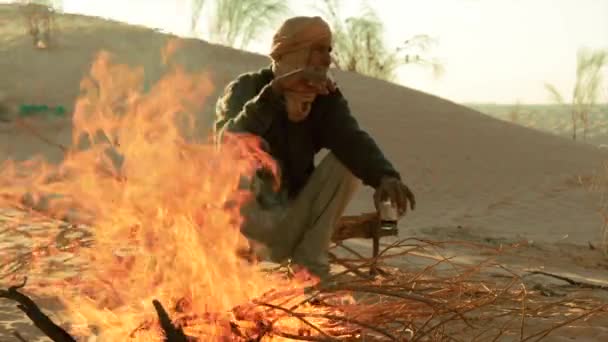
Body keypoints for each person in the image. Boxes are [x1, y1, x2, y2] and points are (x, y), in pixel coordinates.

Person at [214, 16, 415, 280]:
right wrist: (274, 95)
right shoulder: (247, 88)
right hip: (244, 229)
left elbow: (351, 139)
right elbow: (226, 144)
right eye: (318, 49)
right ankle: (229, 272)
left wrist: (385, 176)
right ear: (294, 51)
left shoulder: (324, 98)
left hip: (291, 223)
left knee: (348, 162)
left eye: (329, 50)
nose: (327, 59)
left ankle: (309, 272)